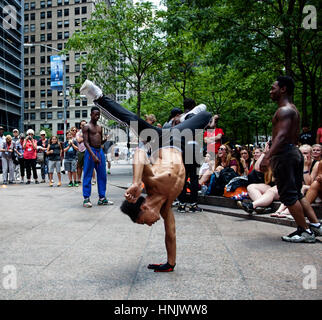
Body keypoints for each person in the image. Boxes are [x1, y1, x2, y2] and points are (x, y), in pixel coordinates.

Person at [80, 79, 212, 271]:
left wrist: (135, 183)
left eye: (143, 222)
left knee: (131, 120)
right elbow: (171, 234)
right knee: (206, 115)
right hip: (179, 140)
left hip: (159, 141)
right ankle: (185, 118)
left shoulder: (151, 182)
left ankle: (97, 96)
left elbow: (140, 154)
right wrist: (170, 264)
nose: (149, 225)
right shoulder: (166, 207)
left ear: (144, 207)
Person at [260, 75, 322, 243]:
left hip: (285, 156)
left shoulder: (285, 110)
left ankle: (304, 231)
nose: (270, 91)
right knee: (297, 193)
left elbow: (281, 136)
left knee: (288, 195)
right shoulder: (292, 109)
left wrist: (267, 156)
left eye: (273, 88)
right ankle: (315, 225)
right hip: (292, 153)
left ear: (283, 89)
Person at [82, 106, 114, 208]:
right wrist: (93, 155)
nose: (97, 116)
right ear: (91, 114)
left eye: (98, 115)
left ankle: (102, 198)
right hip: (90, 151)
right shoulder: (86, 127)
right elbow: (86, 142)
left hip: (99, 151)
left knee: (102, 175)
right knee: (87, 174)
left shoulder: (100, 127)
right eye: (95, 114)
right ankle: (86, 199)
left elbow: (100, 142)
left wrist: (106, 139)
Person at [76, 120, 87, 184]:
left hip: (88, 150)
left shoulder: (89, 132)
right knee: (79, 166)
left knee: (87, 166)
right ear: (80, 125)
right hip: (80, 151)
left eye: (85, 125)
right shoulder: (78, 133)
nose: (83, 126)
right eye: (82, 125)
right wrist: (85, 137)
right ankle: (79, 179)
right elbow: (79, 140)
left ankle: (88, 179)